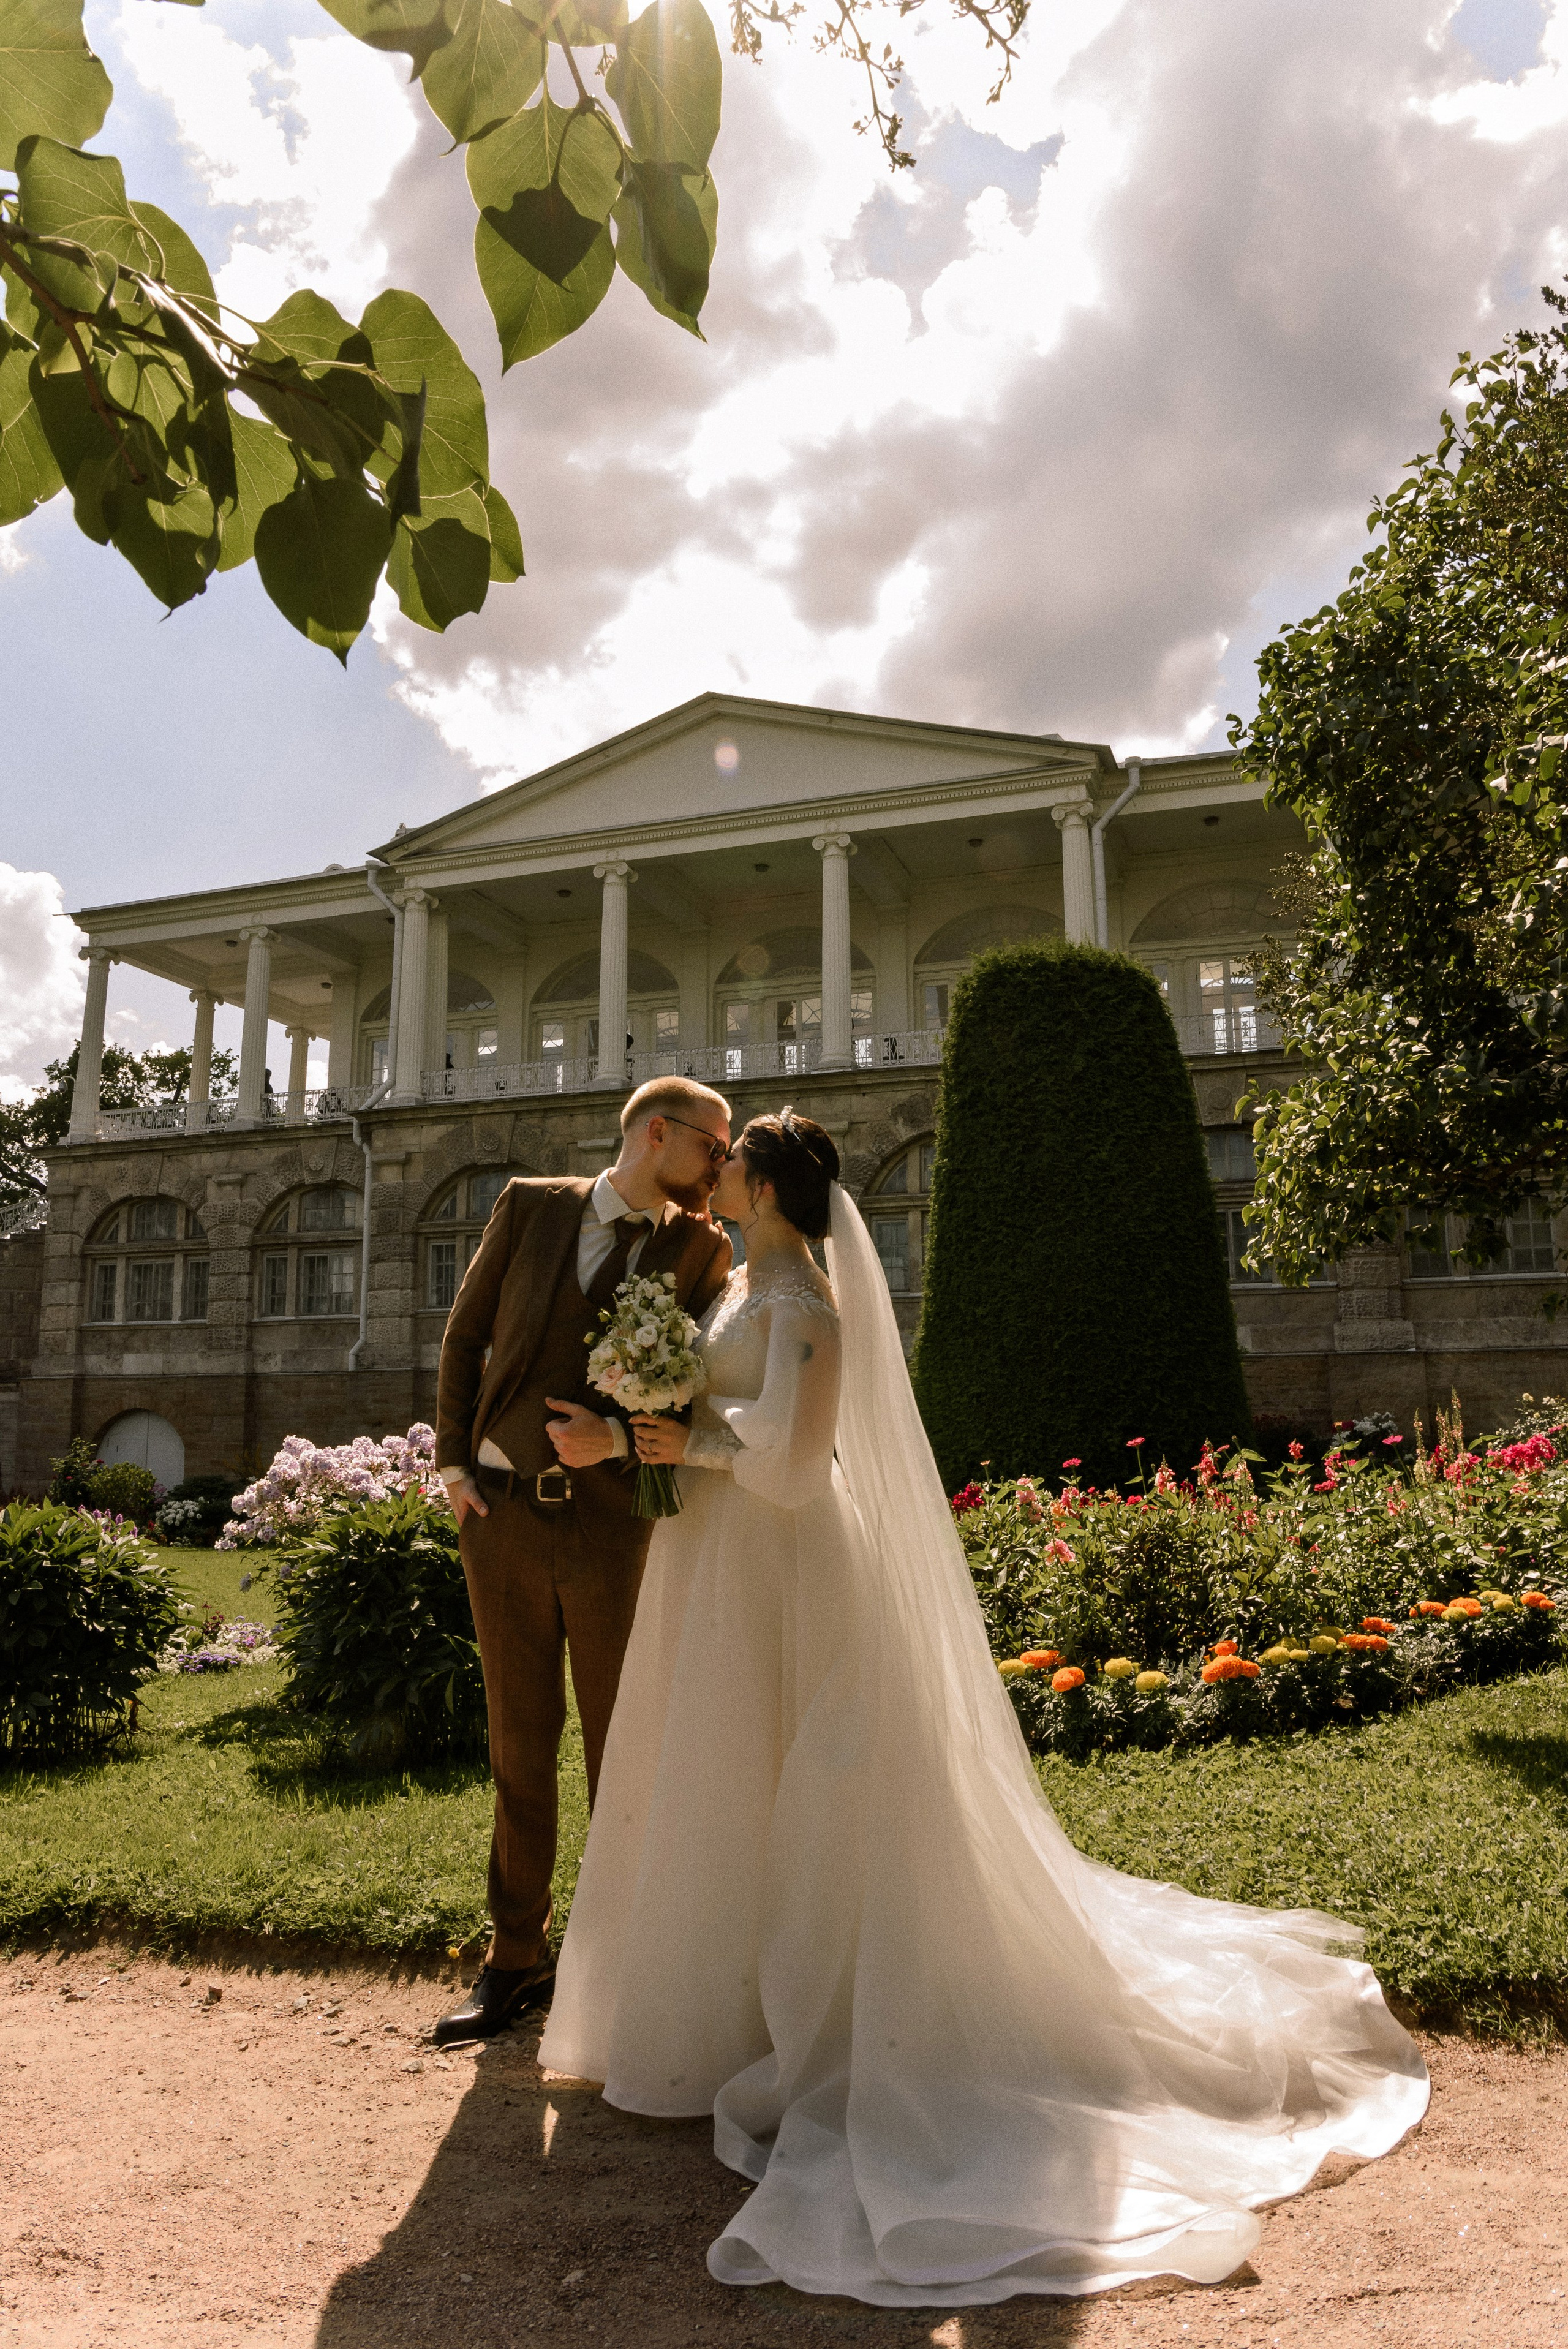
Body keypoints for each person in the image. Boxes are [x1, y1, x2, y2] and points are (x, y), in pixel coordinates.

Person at [538, 1111, 1430, 2308]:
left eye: (738, 1157)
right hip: (717, 1570)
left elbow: (795, 1468)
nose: (724, 1170)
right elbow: (724, 1415)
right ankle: (714, 2026)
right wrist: (651, 1414)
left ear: (770, 1183)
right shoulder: (740, 1281)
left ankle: (805, 2025)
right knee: (711, 1776)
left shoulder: (810, 1312)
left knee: (796, 1785)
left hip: (787, 1573)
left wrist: (680, 1435)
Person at [431, 1077, 733, 2048]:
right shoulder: (530, 1206)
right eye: (713, 1148)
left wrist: (616, 1432)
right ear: (658, 1134)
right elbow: (466, 1336)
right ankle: (513, 1962)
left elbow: (706, 1389)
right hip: (503, 1523)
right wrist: (448, 1458)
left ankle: (616, 1967)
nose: (723, 1167)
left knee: (621, 1753)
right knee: (520, 1747)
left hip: (614, 1533)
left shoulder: (703, 1248)